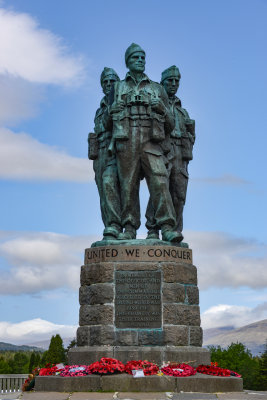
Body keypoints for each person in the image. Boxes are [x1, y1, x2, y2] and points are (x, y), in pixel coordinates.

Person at [109, 44, 181, 242]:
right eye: (135, 58)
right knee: (128, 185)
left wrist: (163, 110)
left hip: (151, 140)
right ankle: (129, 227)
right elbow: (107, 123)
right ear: (127, 62)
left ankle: (166, 226)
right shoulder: (117, 88)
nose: (140, 60)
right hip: (127, 138)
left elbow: (172, 124)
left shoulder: (157, 88)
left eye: (142, 57)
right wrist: (114, 109)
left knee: (159, 181)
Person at [146, 65, 195, 238]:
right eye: (170, 81)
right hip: (163, 152)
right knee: (160, 189)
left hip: (181, 156)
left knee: (179, 195)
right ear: (163, 83)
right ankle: (153, 228)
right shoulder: (157, 104)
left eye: (176, 81)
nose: (174, 84)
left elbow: (192, 135)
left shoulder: (183, 111)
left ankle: (176, 230)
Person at [88, 67, 122, 240]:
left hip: (116, 151)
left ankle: (117, 224)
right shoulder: (99, 109)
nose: (109, 84)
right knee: (103, 192)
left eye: (112, 81)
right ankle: (110, 227)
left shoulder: (120, 102)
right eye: (105, 82)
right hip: (100, 152)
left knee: (111, 184)